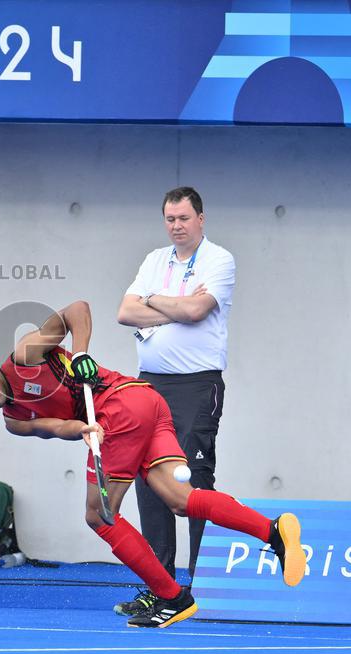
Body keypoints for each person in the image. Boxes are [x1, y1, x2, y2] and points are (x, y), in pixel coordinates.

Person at [0, 300, 305, 628]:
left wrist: (80, 354)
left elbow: (76, 310)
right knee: (181, 500)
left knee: (100, 515)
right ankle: (272, 532)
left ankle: (171, 596)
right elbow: (55, 426)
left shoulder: (26, 355)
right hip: (143, 403)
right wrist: (82, 429)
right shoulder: (13, 419)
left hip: (120, 405)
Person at [114, 186, 235, 616]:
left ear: (200, 219)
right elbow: (125, 312)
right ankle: (162, 586)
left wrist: (155, 302)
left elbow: (197, 311)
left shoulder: (219, 259)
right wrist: (171, 306)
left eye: (183, 218)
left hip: (197, 385)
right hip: (150, 385)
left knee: (194, 478)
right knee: (149, 480)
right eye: (169, 219)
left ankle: (203, 586)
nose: (176, 226)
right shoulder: (153, 260)